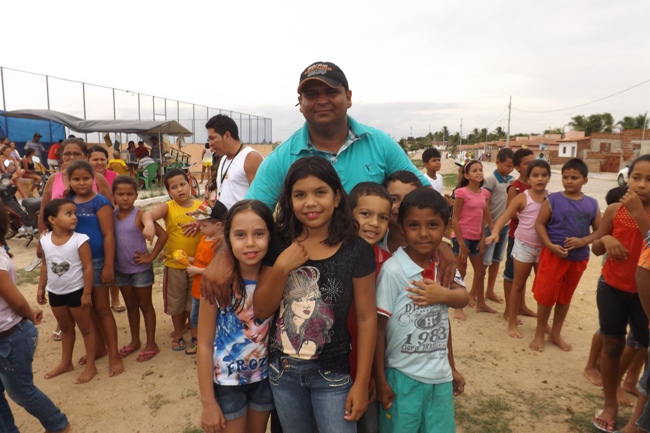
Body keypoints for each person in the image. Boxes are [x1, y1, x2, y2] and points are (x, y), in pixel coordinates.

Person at [253, 157, 377, 433]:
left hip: (333, 375)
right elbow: (261, 309)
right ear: (289, 201)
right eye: (300, 195)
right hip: (282, 374)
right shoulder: (278, 244)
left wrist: (362, 381)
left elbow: (367, 318)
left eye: (319, 192)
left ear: (336, 197)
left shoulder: (356, 251)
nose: (310, 202)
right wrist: (283, 266)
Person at [375, 187, 469, 433]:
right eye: (414, 226)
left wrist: (452, 367)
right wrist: (380, 379)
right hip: (401, 377)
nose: (424, 234)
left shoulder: (444, 265)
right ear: (402, 228)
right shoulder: (393, 271)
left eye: (433, 225)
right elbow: (378, 329)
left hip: (440, 377)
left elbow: (461, 299)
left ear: (447, 227)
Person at [197, 200, 275, 433]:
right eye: (240, 235)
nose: (250, 243)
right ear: (227, 238)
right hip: (226, 385)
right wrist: (208, 403)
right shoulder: (216, 283)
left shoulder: (274, 279)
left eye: (259, 233)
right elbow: (203, 343)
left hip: (263, 380)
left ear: (271, 236)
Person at [0, 201, 72, 432]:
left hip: (9, 338)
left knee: (21, 392)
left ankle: (60, 427)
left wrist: (30, 313)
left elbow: (17, 301)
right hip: (7, 335)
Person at [592, 155, 650, 432]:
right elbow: (597, 248)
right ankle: (611, 402)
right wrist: (606, 238)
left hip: (645, 296)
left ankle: (638, 419)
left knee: (647, 350)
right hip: (612, 289)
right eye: (636, 177)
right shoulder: (615, 209)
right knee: (612, 345)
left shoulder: (638, 211)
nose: (641, 185)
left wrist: (639, 213)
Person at [529, 158, 600, 352]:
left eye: (574, 178)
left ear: (585, 180)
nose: (569, 181)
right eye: (566, 177)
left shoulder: (592, 204)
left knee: (564, 298)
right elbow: (539, 224)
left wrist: (583, 241)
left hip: (578, 259)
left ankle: (555, 334)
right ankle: (539, 333)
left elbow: (599, 231)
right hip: (553, 257)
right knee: (545, 297)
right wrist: (550, 245)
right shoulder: (552, 200)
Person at [64, 160, 124, 377]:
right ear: (69, 181)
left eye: (86, 178)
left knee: (102, 308)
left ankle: (114, 354)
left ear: (94, 179)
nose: (82, 183)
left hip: (98, 262)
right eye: (76, 179)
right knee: (86, 309)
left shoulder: (100, 203)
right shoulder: (68, 203)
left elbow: (109, 235)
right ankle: (99, 348)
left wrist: (109, 264)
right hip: (75, 264)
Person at [486, 160, 551, 339]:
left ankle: (543, 324)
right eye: (535, 175)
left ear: (549, 177)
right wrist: (495, 233)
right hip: (523, 246)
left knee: (543, 288)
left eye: (544, 175)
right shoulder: (523, 197)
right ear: (528, 178)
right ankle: (512, 321)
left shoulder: (552, 198)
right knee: (518, 284)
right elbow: (505, 216)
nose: (540, 179)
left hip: (544, 249)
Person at [37, 198, 97, 384]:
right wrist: (41, 287)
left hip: (76, 291)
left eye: (74, 213)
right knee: (65, 328)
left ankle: (91, 365)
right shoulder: (45, 240)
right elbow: (46, 265)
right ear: (52, 220)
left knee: (86, 329)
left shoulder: (80, 240)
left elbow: (88, 268)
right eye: (68, 214)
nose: (74, 217)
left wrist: (86, 294)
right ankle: (66, 362)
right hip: (55, 292)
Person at [142, 169, 202, 352]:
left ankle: (192, 331)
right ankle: (177, 333)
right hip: (174, 265)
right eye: (173, 187)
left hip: (197, 265)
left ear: (189, 183)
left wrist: (202, 221)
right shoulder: (169, 207)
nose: (179, 189)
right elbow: (148, 215)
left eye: (182, 184)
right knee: (176, 302)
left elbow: (217, 222)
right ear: (168, 192)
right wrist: (149, 224)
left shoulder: (202, 206)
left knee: (193, 302)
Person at [113, 176, 167, 362]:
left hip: (140, 270)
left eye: (129, 194)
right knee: (130, 306)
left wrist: (151, 257)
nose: (125, 198)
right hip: (120, 270)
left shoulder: (140, 215)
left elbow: (163, 235)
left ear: (136, 195)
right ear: (114, 196)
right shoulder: (111, 216)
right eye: (120, 194)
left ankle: (151, 343)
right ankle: (135, 340)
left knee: (145, 306)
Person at [39, 138, 113, 234]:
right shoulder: (53, 179)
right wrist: (41, 241)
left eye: (77, 154)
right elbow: (43, 212)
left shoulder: (98, 179)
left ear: (85, 156)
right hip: (59, 240)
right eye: (67, 154)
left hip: (91, 238)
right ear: (61, 156)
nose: (72, 157)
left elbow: (109, 212)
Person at [451, 160, 492, 320]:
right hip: (462, 238)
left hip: (476, 238)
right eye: (474, 170)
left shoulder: (484, 194)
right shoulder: (461, 193)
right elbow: (454, 220)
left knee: (480, 271)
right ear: (467, 175)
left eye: (480, 170)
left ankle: (481, 303)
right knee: (461, 272)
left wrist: (483, 238)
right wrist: (461, 243)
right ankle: (458, 307)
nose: (479, 173)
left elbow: (482, 217)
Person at [185, 200, 227, 355]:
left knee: (209, 318)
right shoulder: (204, 239)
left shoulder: (220, 244)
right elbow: (200, 259)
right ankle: (197, 341)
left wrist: (197, 270)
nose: (199, 228)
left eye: (203, 225)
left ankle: (209, 343)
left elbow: (219, 268)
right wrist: (187, 259)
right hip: (198, 289)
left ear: (218, 225)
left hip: (210, 290)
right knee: (195, 316)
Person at [501, 148, 536, 322]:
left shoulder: (535, 185)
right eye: (527, 163)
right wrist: (531, 215)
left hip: (532, 238)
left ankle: (521, 306)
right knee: (511, 274)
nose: (531, 166)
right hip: (517, 237)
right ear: (517, 167)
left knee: (523, 275)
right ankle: (509, 310)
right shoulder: (515, 187)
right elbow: (511, 212)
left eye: (533, 162)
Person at [208, 114, 263, 208]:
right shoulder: (223, 159)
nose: (210, 144)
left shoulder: (251, 158)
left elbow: (259, 201)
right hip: (224, 221)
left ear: (226, 136)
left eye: (212, 138)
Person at [482, 148, 514, 305]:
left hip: (505, 227)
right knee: (484, 263)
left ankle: (490, 291)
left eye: (511, 166)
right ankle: (476, 292)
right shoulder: (490, 180)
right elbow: (484, 205)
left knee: (496, 260)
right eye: (506, 166)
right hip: (490, 227)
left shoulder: (511, 181)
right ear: (497, 163)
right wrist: (491, 224)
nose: (509, 169)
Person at [381, 171, 423, 254]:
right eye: (394, 199)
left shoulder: (430, 250)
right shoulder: (374, 241)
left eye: (410, 199)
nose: (401, 206)